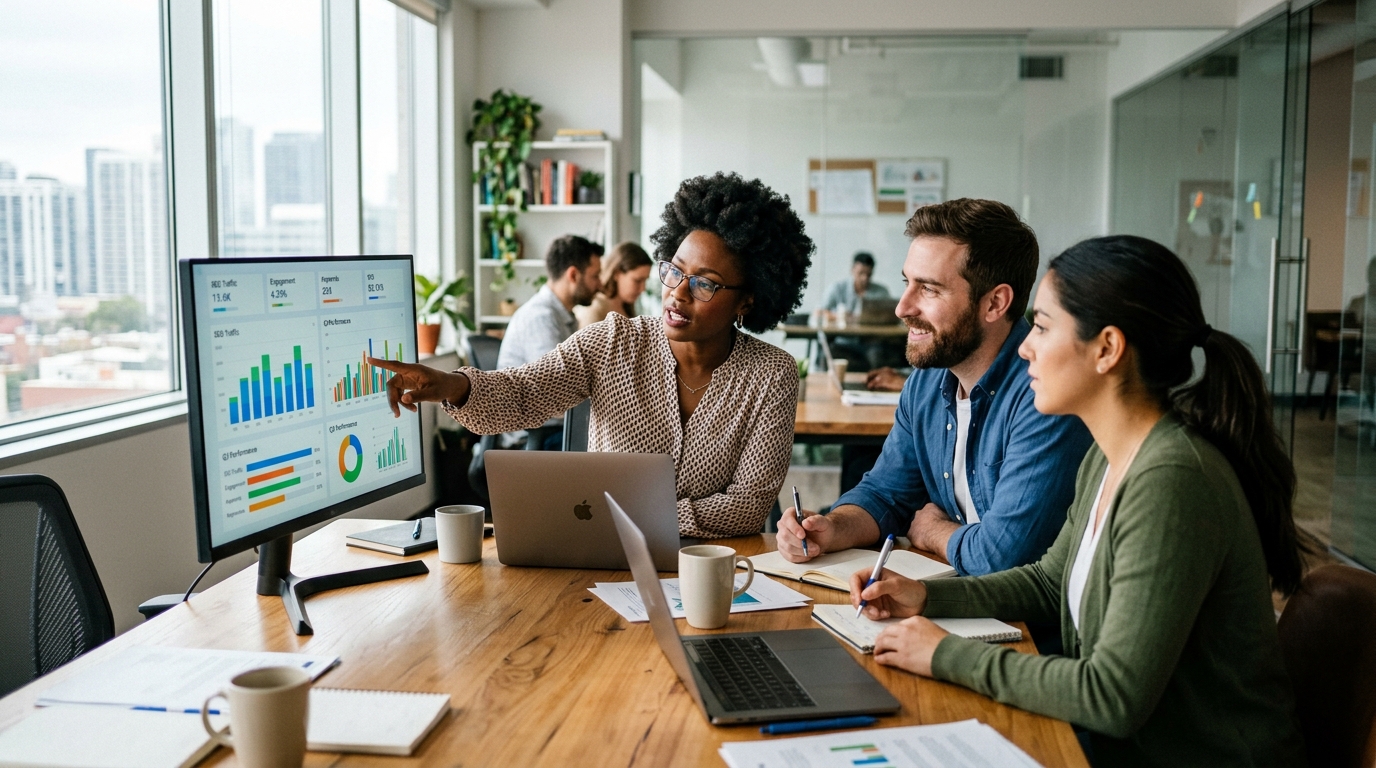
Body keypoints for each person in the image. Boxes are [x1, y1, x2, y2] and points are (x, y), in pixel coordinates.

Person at [849, 235, 1306, 766]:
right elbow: (1048, 582)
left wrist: (945, 653)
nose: (1025, 347)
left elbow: (1111, 697)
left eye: (1042, 328)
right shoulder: (1108, 457)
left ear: (1107, 349)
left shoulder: (1173, 479)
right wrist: (925, 597)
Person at [372, 172, 813, 537]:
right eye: (674, 271)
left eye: (704, 283)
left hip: (713, 570)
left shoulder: (771, 374)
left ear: (747, 300)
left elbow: (748, 507)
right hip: (607, 563)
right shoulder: (612, 342)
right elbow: (523, 394)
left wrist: (630, 516)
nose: (677, 293)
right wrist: (451, 385)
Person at [778, 199, 1092, 576]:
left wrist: (934, 531)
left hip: (1019, 611)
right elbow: (886, 494)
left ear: (995, 303)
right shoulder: (927, 382)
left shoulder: (1046, 395)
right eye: (907, 283)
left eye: (928, 289)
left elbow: (1003, 556)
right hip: (952, 592)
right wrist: (831, 528)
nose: (902, 308)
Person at [496, 234, 603, 370]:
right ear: (573, 275)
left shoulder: (563, 315)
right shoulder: (540, 318)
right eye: (595, 276)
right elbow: (557, 379)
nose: (600, 285)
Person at [574, 241, 653, 328]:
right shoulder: (595, 309)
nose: (643, 289)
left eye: (645, 280)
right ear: (617, 274)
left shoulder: (627, 307)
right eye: (637, 281)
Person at [823, 251, 889, 316]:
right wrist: (840, 316)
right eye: (861, 273)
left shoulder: (881, 292)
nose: (864, 278)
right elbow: (820, 311)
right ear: (852, 269)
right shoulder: (837, 288)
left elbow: (889, 313)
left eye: (868, 274)